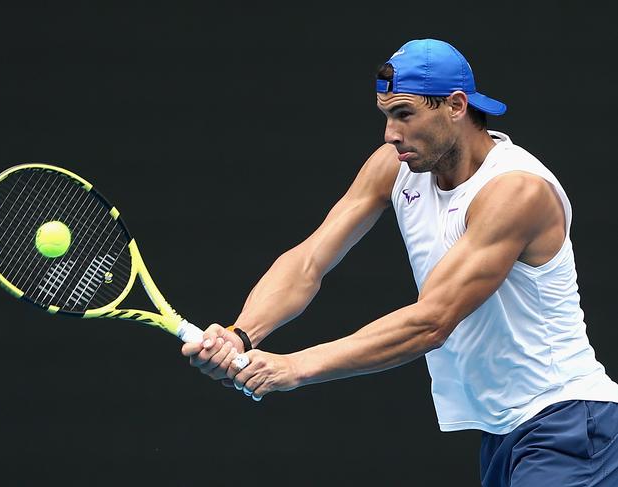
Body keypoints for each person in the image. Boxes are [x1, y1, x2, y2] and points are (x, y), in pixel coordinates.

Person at [181, 39, 618, 486]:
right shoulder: (395, 166)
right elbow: (309, 260)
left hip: (568, 423)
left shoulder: (516, 192)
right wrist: (242, 334)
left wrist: (295, 367)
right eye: (386, 115)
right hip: (504, 432)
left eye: (404, 114)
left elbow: (431, 321)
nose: (390, 133)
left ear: (456, 105)